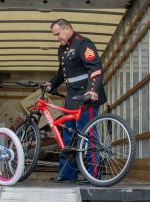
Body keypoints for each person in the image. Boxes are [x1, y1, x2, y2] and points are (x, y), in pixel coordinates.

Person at [45, 19, 107, 183]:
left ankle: (93, 175)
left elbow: (95, 68)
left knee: (88, 136)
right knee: (68, 136)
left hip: (87, 97)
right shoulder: (62, 50)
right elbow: (62, 73)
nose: (56, 38)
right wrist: (51, 84)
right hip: (72, 98)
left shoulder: (83, 44)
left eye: (58, 34)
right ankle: (67, 174)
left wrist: (93, 90)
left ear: (67, 29)